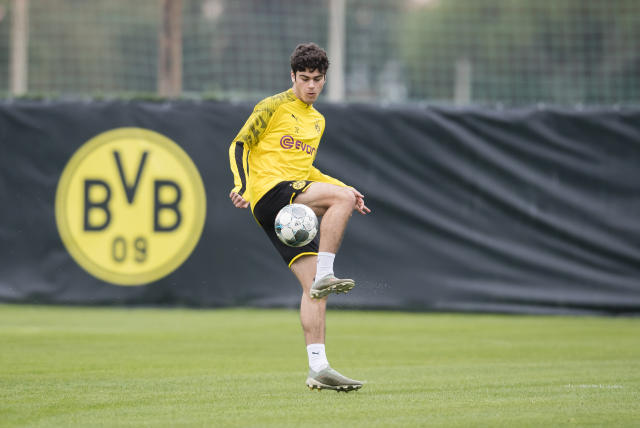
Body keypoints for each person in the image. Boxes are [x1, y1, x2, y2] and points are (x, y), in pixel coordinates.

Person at [228, 42, 370, 392]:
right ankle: (327, 273)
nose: (310, 86)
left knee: (313, 292)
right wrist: (242, 186)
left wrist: (346, 189)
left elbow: (306, 170)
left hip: (289, 202)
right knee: (339, 201)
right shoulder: (273, 106)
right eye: (303, 78)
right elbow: (240, 144)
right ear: (292, 76)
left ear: (324, 79)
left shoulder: (317, 120)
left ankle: (318, 368)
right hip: (270, 192)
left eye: (317, 79)